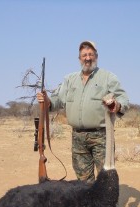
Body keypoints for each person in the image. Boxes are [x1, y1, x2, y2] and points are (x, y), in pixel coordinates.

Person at [37, 40, 129, 183]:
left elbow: (123, 100)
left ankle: (110, 206)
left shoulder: (108, 77)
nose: (87, 58)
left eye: (91, 54)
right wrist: (46, 100)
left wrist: (115, 105)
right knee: (83, 182)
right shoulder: (69, 79)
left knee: (106, 179)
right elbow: (56, 102)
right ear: (79, 58)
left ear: (96, 57)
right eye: (84, 55)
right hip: (78, 138)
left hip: (102, 137)